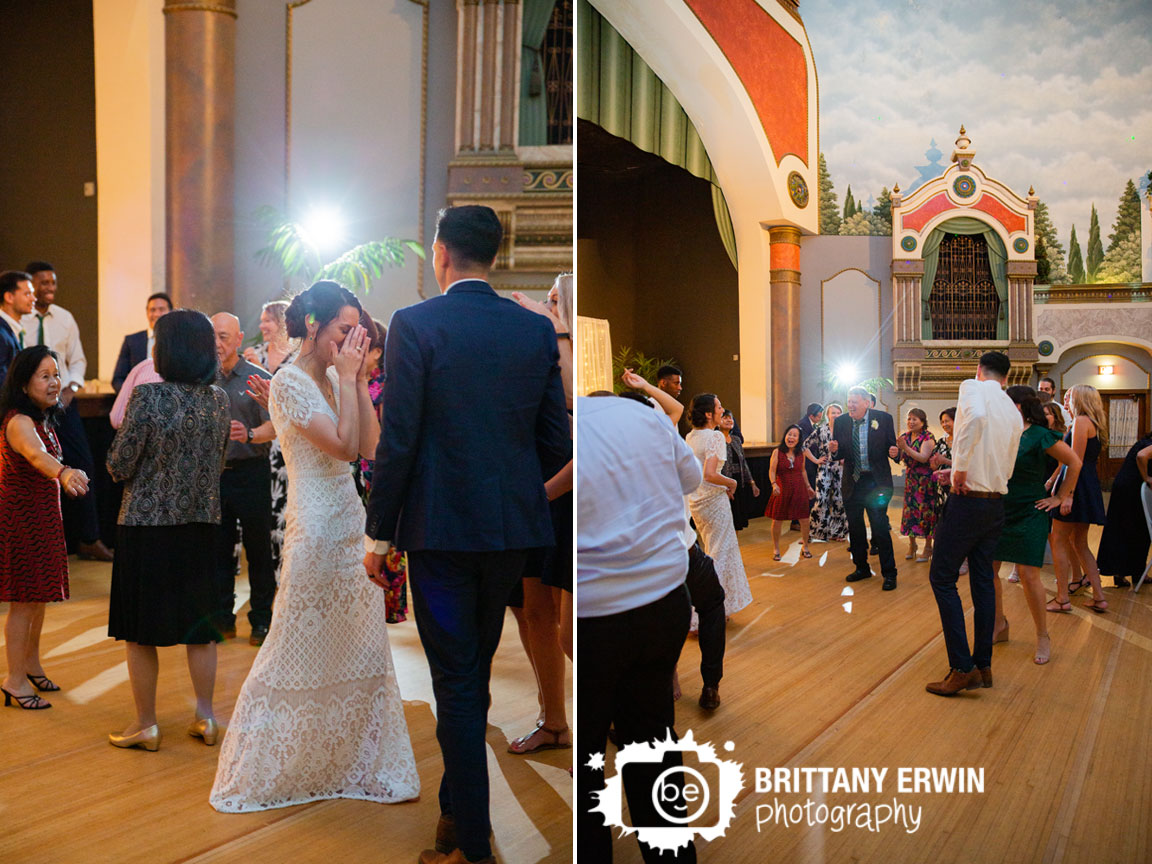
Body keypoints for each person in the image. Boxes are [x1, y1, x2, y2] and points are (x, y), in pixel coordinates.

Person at [362, 206, 568, 864]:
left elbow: (398, 439)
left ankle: (474, 847)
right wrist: (514, 496)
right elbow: (555, 441)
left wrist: (377, 535)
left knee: (455, 679)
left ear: (440, 254)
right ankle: (455, 819)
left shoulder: (415, 324)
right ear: (496, 256)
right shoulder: (532, 332)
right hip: (509, 534)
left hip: (440, 530)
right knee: (469, 672)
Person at [212, 280, 420, 812]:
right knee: (293, 646)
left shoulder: (337, 374)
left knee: (360, 648)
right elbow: (344, 448)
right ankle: (274, 764)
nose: (351, 340)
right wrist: (349, 380)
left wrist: (358, 377)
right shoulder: (287, 383)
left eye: (357, 332)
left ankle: (349, 759)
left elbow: (370, 445)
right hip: (314, 531)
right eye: (343, 330)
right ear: (313, 326)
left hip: (353, 527)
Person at [577, 392, 701, 864]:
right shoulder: (647, 418)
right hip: (664, 599)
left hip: (595, 614)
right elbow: (689, 479)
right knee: (652, 741)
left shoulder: (566, 423)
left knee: (589, 762)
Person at [105, 310, 230, 749]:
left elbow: (119, 464)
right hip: (201, 525)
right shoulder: (217, 399)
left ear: (166, 347)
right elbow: (216, 464)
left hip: (147, 526)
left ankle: (146, 724)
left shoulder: (148, 398)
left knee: (141, 632)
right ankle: (206, 717)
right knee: (201, 629)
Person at [925, 351, 1022, 696]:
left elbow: (976, 418)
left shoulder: (972, 387)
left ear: (980, 371)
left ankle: (961, 668)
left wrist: (961, 468)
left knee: (941, 577)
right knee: (983, 581)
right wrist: (985, 475)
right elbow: (1010, 449)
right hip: (995, 502)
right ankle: (983, 664)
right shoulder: (1011, 407)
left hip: (967, 503)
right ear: (1006, 378)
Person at [506, 273, 575, 757]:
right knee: (530, 612)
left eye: (555, 300)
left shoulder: (572, 357)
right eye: (546, 299)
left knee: (572, 628)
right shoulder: (541, 354)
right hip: (533, 494)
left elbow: (577, 418)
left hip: (564, 496)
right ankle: (553, 719)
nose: (543, 306)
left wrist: (559, 332)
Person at [0, 346, 88, 710]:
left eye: (56, 374)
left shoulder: (41, 417)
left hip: (41, 517)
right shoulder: (19, 421)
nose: (55, 383)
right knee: (23, 601)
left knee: (37, 598)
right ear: (23, 384)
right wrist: (65, 472)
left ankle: (31, 665)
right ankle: (14, 680)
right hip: (21, 520)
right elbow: (36, 456)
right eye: (45, 376)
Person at [21, 261, 113, 562]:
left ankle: (89, 538)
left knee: (83, 463)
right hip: (27, 406)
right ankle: (38, 547)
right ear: (31, 286)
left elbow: (78, 361)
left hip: (62, 404)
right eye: (43, 283)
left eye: (53, 283)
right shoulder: (18, 319)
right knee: (33, 468)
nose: (49, 288)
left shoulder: (65, 318)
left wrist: (71, 388)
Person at [991, 386, 1081, 665]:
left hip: (1030, 510)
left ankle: (1043, 635)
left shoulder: (1040, 435)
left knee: (1029, 575)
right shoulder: (1002, 432)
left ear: (1017, 406)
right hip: (999, 508)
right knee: (989, 570)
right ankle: (999, 625)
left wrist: (1060, 496)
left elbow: (1074, 462)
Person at [211, 312, 277, 645]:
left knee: (258, 550)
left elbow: (275, 426)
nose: (217, 343)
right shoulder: (202, 379)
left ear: (239, 339)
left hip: (251, 472)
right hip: (215, 476)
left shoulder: (257, 378)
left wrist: (249, 434)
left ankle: (262, 620)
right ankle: (223, 618)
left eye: (224, 336)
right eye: (213, 336)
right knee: (219, 550)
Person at [685, 393, 753, 617]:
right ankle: (704, 611)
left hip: (697, 502)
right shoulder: (714, 437)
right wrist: (731, 482)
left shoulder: (691, 436)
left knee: (712, 551)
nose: (722, 409)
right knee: (720, 554)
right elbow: (711, 474)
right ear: (708, 414)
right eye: (719, 406)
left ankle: (718, 606)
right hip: (714, 502)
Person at [1047, 384, 1110, 613]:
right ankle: (1099, 597)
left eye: (1069, 396)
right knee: (1079, 543)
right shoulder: (1091, 422)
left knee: (1059, 540)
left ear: (1080, 399)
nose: (1066, 401)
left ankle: (1062, 598)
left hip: (1078, 485)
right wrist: (1054, 481)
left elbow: (1075, 461)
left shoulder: (1082, 421)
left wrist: (1067, 495)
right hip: (1086, 484)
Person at [830, 386, 900, 589]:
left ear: (866, 403)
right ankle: (861, 567)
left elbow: (891, 448)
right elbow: (839, 451)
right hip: (853, 482)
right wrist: (835, 451)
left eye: (854, 401)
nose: (850, 405)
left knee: (880, 527)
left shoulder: (883, 419)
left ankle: (889, 573)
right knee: (856, 528)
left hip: (876, 483)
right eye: (848, 401)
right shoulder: (841, 421)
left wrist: (895, 453)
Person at [1097, 436, 1152, 587]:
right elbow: (1142, 456)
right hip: (1131, 488)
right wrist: (1147, 477)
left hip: (1126, 486)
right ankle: (1129, 572)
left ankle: (1130, 572)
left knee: (1129, 530)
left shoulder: (1147, 440)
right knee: (1131, 530)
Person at [766, 423, 816, 559]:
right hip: (782, 488)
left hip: (799, 488)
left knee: (805, 519)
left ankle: (805, 546)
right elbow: (772, 470)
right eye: (789, 434)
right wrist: (773, 484)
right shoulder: (777, 452)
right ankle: (776, 548)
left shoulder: (801, 453)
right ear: (785, 436)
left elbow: (803, 470)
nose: (791, 438)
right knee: (777, 519)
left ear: (799, 439)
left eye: (795, 435)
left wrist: (808, 487)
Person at [896, 408, 937, 561]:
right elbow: (900, 457)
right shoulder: (905, 436)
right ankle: (912, 545)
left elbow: (924, 457)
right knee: (910, 512)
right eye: (909, 419)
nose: (911, 422)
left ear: (922, 422)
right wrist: (896, 452)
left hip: (925, 480)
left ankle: (928, 547)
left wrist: (905, 448)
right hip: (911, 478)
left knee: (925, 513)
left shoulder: (928, 437)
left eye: (915, 419)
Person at [112, 292, 172, 392]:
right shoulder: (131, 341)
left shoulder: (178, 340)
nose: (157, 314)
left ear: (170, 312)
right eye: (152, 310)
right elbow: (118, 379)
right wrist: (134, 396)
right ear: (147, 313)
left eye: (161, 309)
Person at [806, 402, 848, 541]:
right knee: (821, 499)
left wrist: (845, 458)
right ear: (827, 415)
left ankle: (838, 533)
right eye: (833, 412)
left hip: (841, 469)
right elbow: (804, 445)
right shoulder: (820, 429)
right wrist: (816, 460)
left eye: (838, 412)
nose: (835, 415)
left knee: (839, 501)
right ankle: (817, 532)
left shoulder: (845, 430)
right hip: (824, 468)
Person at [719, 408, 759, 530]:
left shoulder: (736, 440)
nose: (729, 420)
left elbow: (744, 463)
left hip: (738, 483)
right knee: (724, 522)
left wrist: (752, 483)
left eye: (730, 418)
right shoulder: (716, 439)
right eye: (725, 417)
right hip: (723, 485)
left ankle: (734, 547)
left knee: (736, 521)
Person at [0, 271, 35, 385]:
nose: (34, 299)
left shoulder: (11, 329)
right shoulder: (1, 333)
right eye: (27, 294)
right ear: (9, 297)